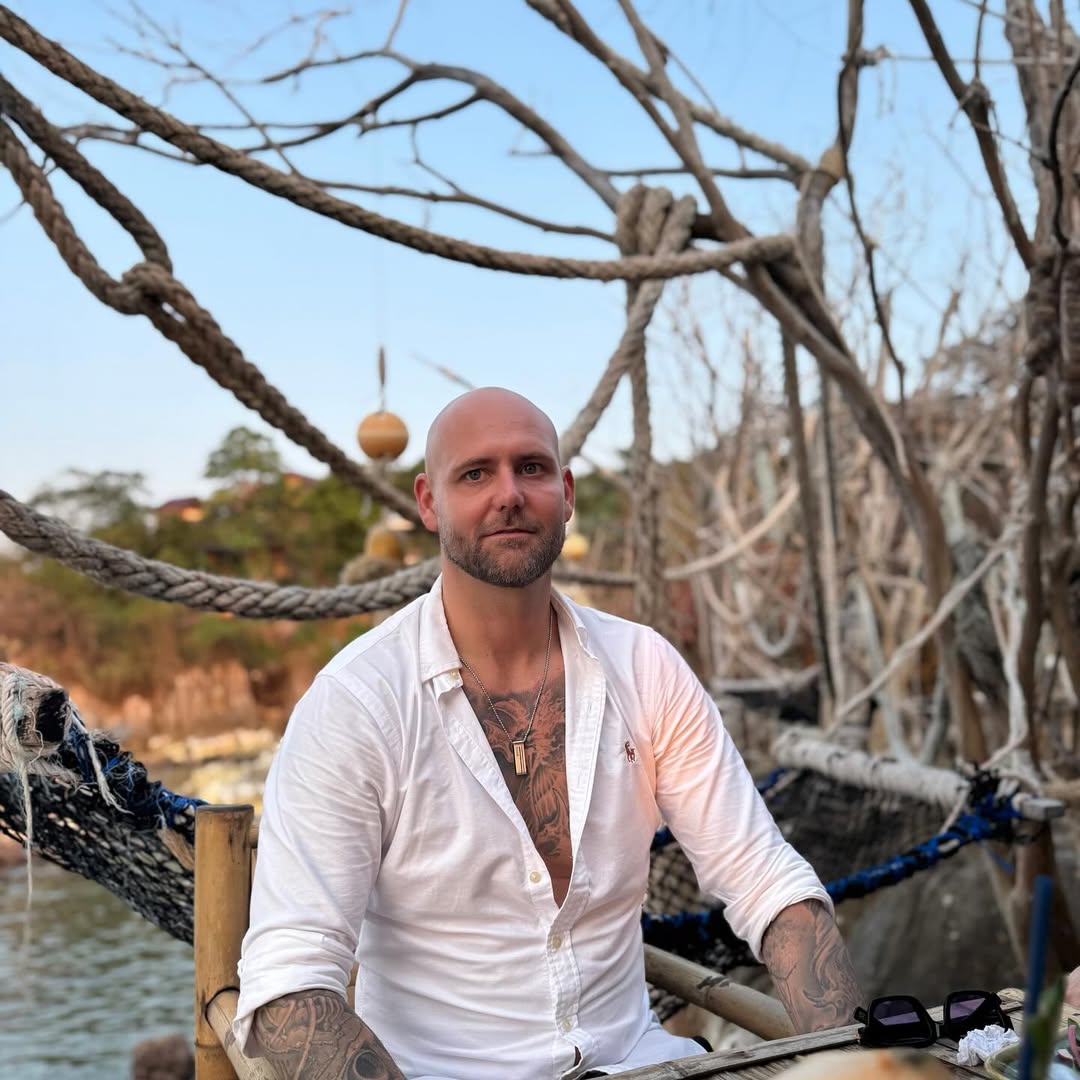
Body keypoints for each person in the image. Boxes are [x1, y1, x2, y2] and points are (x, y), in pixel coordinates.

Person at [234, 387, 862, 1080]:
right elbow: (291, 984)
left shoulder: (644, 667)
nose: (508, 495)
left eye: (530, 468)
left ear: (565, 494)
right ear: (428, 503)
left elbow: (764, 880)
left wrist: (848, 1060)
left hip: (640, 1066)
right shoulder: (358, 704)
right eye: (475, 473)